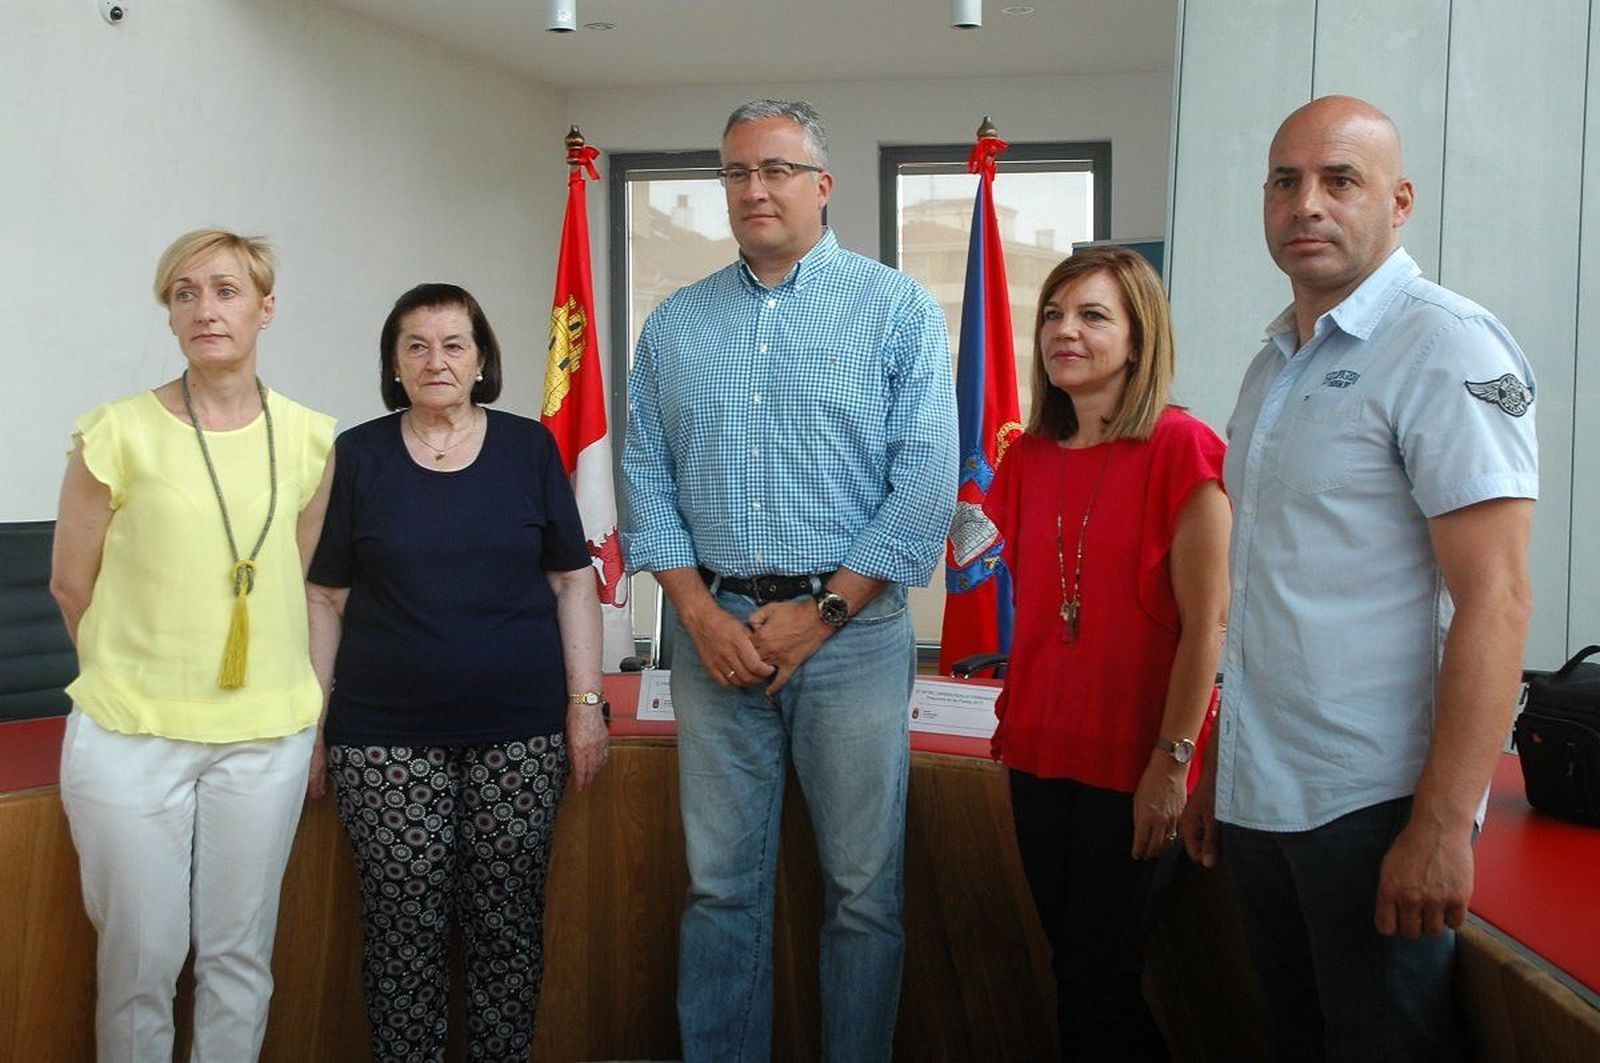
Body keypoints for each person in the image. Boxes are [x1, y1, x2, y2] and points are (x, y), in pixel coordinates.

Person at [1179, 96, 1538, 1060]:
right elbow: (1265, 591)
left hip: (1372, 808)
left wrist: (1439, 825)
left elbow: (1498, 600)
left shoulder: (1444, 344)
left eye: (1341, 180)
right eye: (1286, 181)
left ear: (1400, 201)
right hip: (1264, 801)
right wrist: (1225, 758)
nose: (1308, 203)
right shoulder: (1275, 361)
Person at [621, 98, 957, 1061]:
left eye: (774, 169)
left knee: (861, 889)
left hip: (850, 635)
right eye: (735, 174)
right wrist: (695, 611)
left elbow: (924, 485)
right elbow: (645, 479)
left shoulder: (894, 307)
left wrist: (821, 615)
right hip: (709, 633)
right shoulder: (676, 325)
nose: (754, 189)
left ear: (822, 184)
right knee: (720, 884)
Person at [50, 228, 335, 1061]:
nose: (205, 309)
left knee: (239, 956)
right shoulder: (115, 432)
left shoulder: (315, 440)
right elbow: (73, 585)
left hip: (264, 735)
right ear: (169, 315)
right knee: (141, 958)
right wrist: (142, 669)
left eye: (224, 290)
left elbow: (299, 574)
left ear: (265, 307)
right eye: (184, 293)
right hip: (131, 734)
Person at [306, 283, 608, 1061]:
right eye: (416, 345)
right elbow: (326, 596)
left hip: (520, 732)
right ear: (393, 364)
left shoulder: (528, 449)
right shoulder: (358, 455)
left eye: (453, 344)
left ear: (481, 361)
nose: (435, 360)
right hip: (384, 742)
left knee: (506, 920)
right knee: (404, 926)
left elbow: (574, 581)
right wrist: (310, 724)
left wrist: (585, 703)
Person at [985, 246, 1230, 1060]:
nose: (1065, 331)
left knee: (1100, 977)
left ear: (1139, 337)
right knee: (1075, 968)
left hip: (1137, 757)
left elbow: (1210, 623)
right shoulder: (1028, 455)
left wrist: (1173, 760)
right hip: (1041, 750)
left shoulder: (1182, 446)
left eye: (1093, 315)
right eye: (1054, 314)